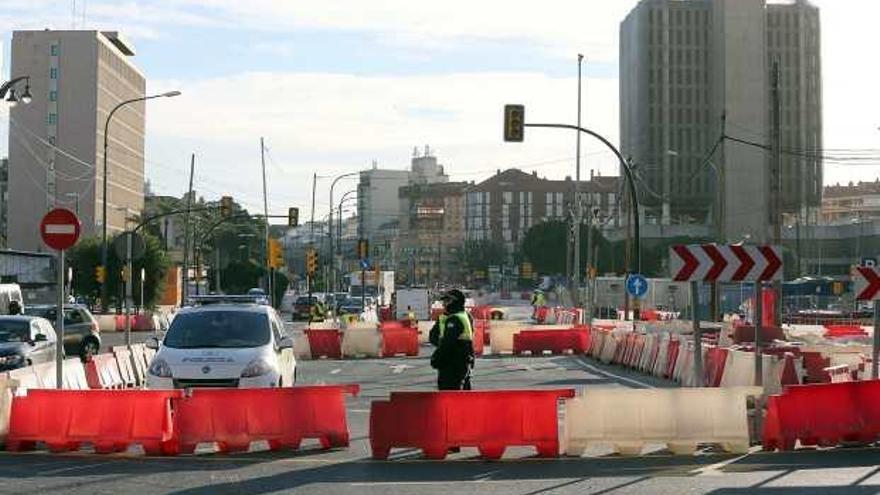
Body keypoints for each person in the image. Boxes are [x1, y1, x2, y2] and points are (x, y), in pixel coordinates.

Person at [429, 289, 474, 390]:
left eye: (447, 301)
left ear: (454, 301)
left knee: (450, 393)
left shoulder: (455, 319)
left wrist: (437, 357)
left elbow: (448, 342)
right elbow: (433, 336)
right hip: (462, 361)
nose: (444, 304)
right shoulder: (465, 316)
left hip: (453, 363)